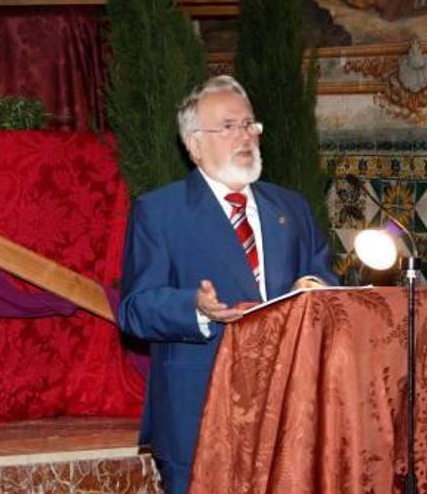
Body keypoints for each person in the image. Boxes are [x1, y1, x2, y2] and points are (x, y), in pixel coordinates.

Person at [118, 75, 338, 493]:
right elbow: (135, 309)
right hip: (199, 414)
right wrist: (195, 309)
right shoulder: (160, 212)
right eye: (229, 126)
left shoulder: (291, 207)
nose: (245, 136)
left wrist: (316, 287)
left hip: (289, 414)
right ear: (194, 143)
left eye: (250, 125)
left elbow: (324, 276)